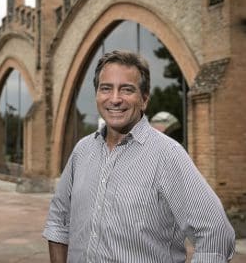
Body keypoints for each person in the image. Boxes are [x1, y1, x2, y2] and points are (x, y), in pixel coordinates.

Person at [43, 50, 235, 262]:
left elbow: (216, 234)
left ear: (144, 99)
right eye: (106, 88)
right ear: (97, 94)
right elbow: (58, 220)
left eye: (126, 89)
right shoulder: (82, 151)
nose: (115, 99)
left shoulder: (167, 155)